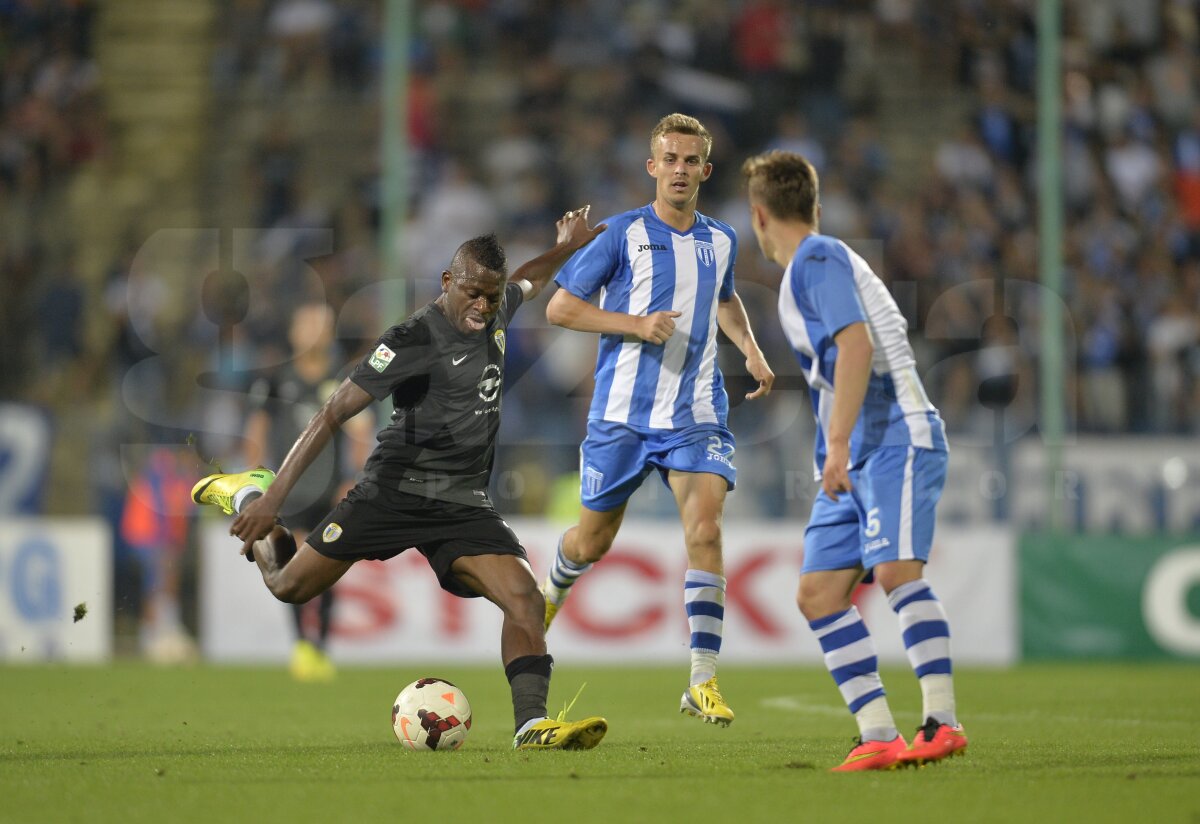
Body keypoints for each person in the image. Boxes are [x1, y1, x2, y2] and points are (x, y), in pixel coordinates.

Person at [192, 211, 610, 751]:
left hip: (461, 501)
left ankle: (531, 726)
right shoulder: (411, 338)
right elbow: (331, 413)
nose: (483, 307)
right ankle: (248, 490)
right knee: (289, 587)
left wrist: (567, 246)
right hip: (392, 491)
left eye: (491, 295)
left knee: (526, 601)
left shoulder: (498, 306)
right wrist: (272, 501)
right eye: (473, 295)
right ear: (446, 282)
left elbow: (531, 275)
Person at [539, 113, 775, 727]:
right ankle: (553, 590)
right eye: (669, 159)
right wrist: (634, 325)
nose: (679, 169)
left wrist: (749, 348)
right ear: (652, 167)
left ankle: (702, 679)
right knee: (592, 542)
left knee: (705, 529)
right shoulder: (619, 234)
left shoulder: (721, 239)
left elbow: (724, 298)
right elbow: (560, 308)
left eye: (690, 160)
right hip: (620, 417)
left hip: (696, 413)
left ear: (705, 169)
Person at [741, 149, 967, 771]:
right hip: (851, 457)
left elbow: (856, 345)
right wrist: (835, 451)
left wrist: (837, 443)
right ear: (810, 203)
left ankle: (942, 723)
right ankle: (877, 735)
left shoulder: (817, 257)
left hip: (893, 436)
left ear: (759, 216)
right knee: (818, 593)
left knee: (896, 574)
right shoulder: (809, 269)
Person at [242, 301, 375, 682]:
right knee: (294, 562)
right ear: (294, 333)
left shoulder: (343, 380)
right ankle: (302, 643)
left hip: (331, 488)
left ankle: (322, 647)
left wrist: (355, 477)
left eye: (323, 324)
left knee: (329, 565)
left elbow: (360, 433)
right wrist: (257, 481)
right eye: (309, 323)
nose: (317, 331)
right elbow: (257, 432)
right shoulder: (274, 381)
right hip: (290, 489)